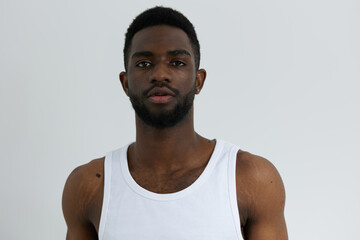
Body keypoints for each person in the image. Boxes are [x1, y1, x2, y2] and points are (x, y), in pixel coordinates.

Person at [62, 6, 288, 240]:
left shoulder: (250, 178)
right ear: (125, 83)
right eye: (144, 64)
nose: (160, 74)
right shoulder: (90, 184)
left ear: (198, 80)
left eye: (177, 62)